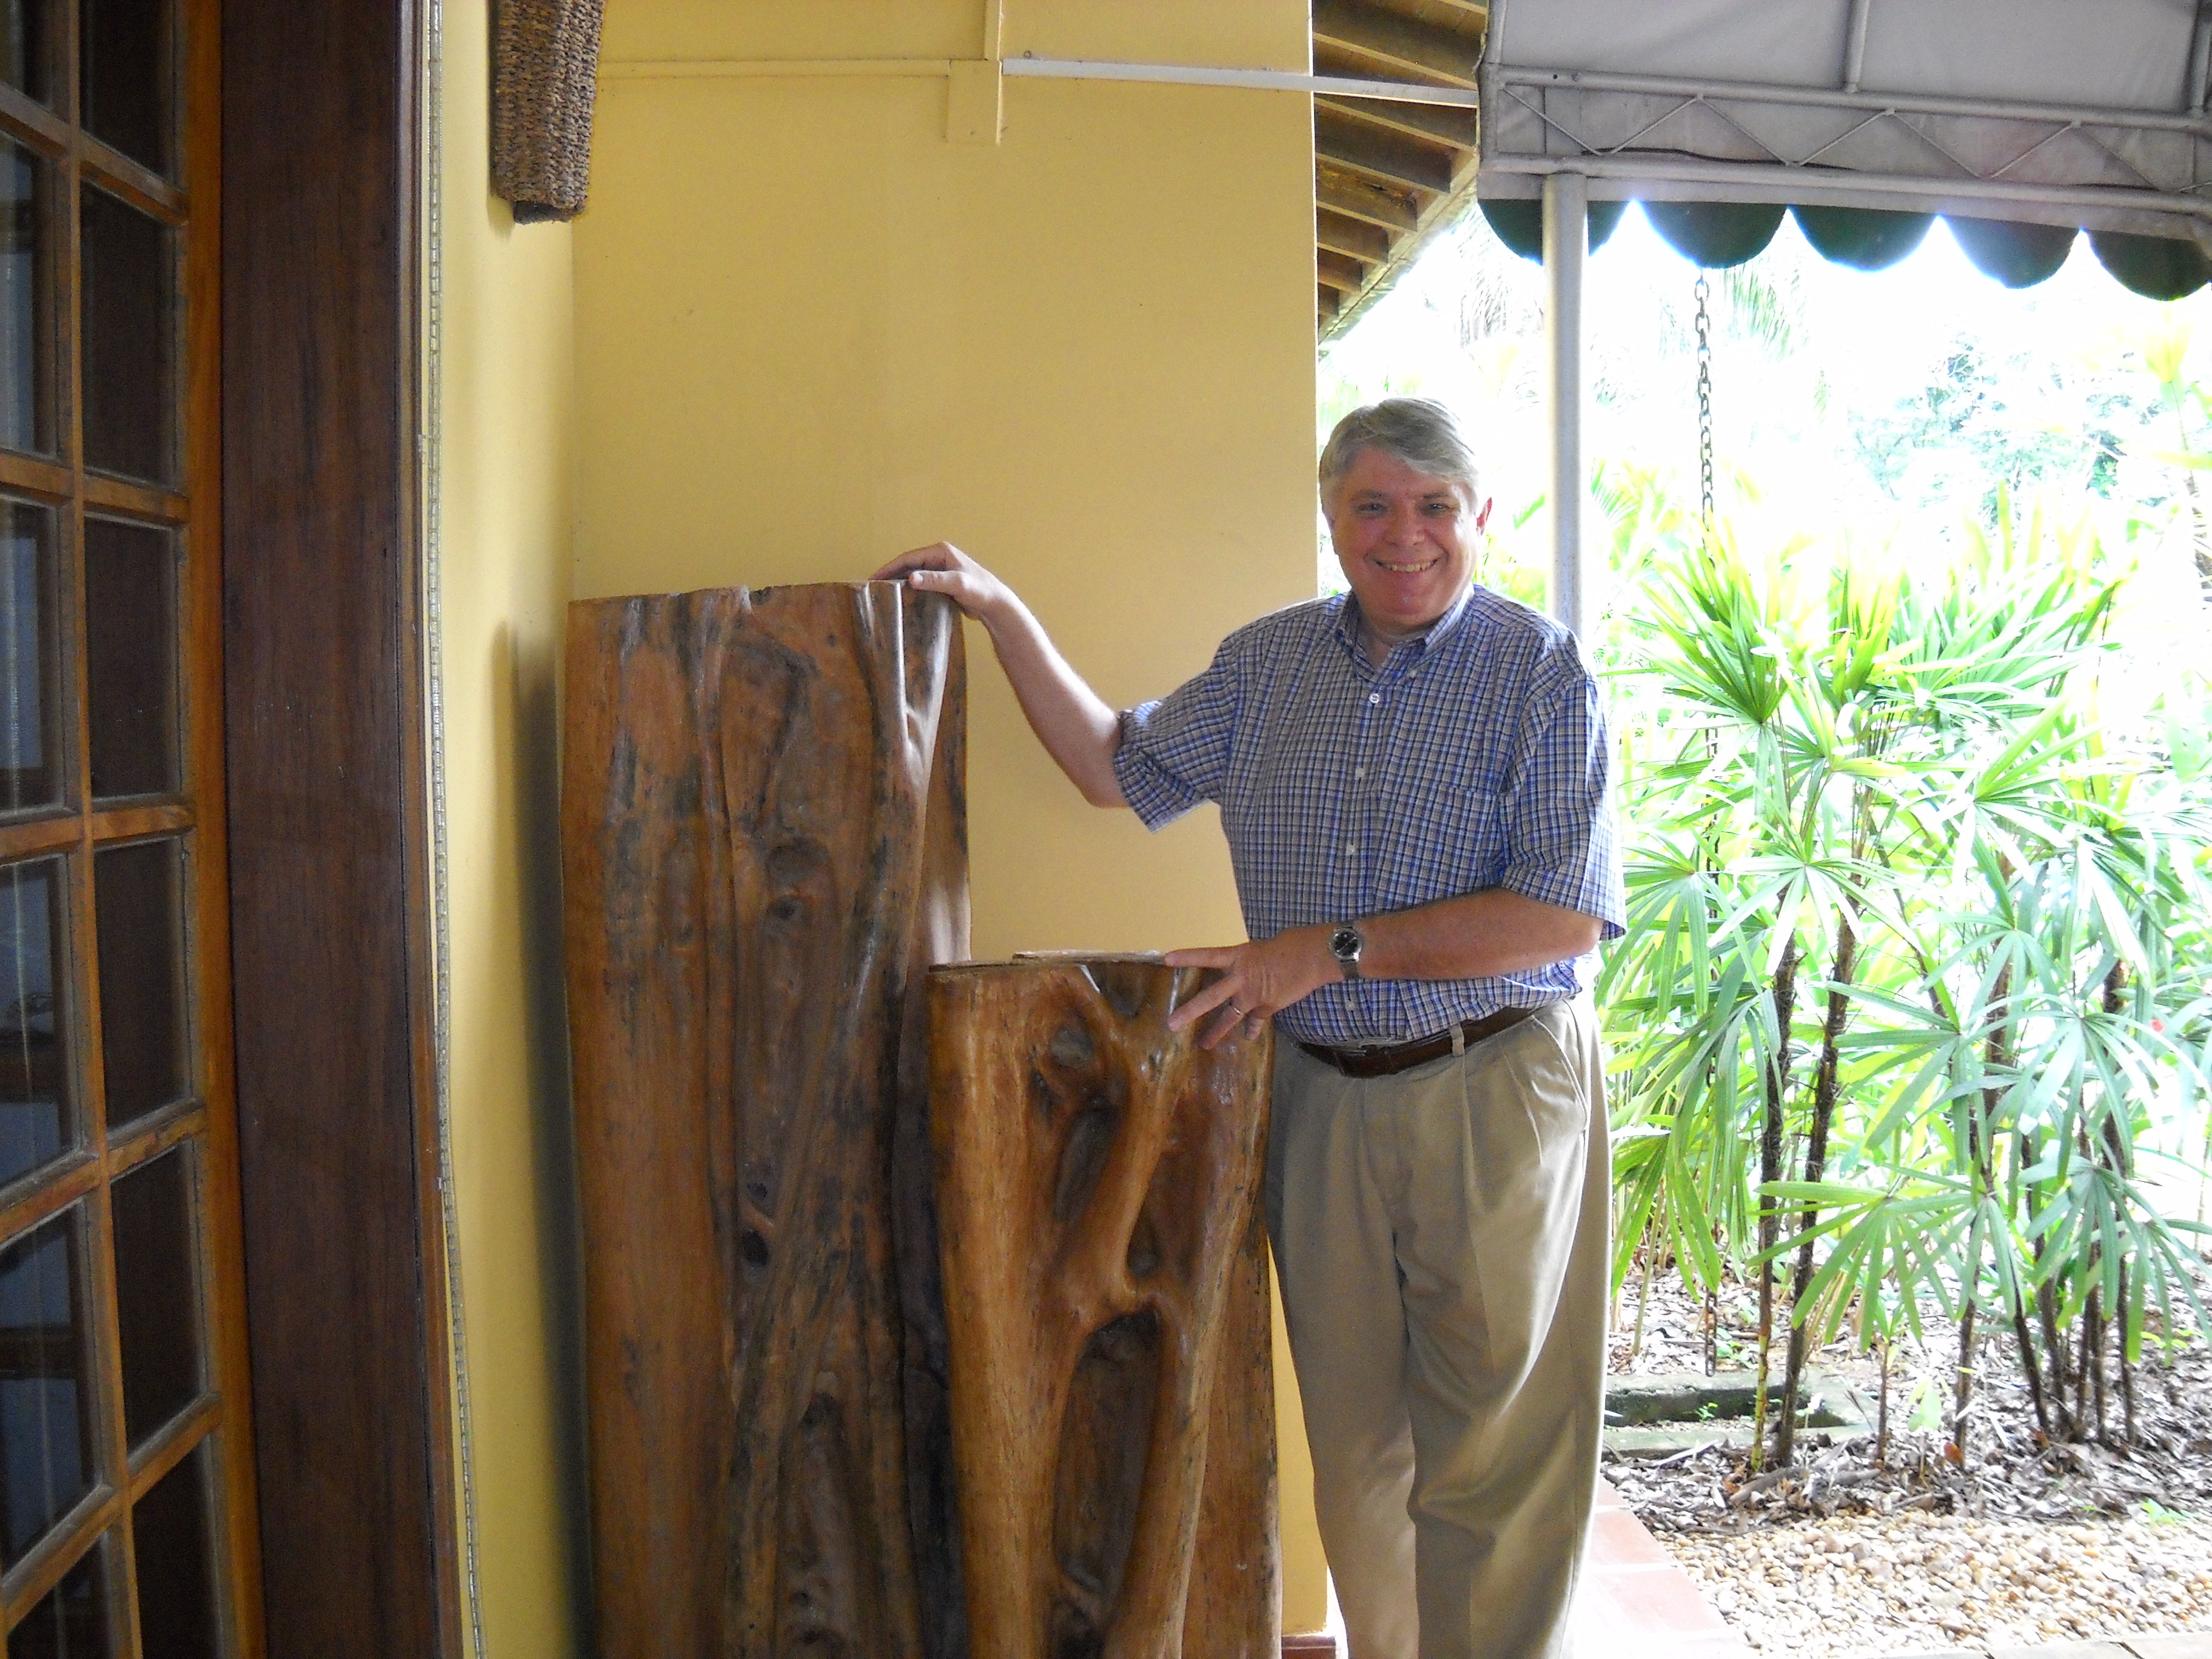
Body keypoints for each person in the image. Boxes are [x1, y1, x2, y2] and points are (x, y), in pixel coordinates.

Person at [873, 397, 1623, 1659]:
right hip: (1320, 1095)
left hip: (1493, 1084)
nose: (1405, 537)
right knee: (1355, 1450)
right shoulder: (1268, 665)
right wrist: (1003, 613)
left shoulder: (1541, 673)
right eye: (1372, 506)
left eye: (1435, 506)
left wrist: (1320, 952)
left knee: (1491, 1455)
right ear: (1332, 520)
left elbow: (1562, 917)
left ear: (1480, 518)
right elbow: (1116, 766)